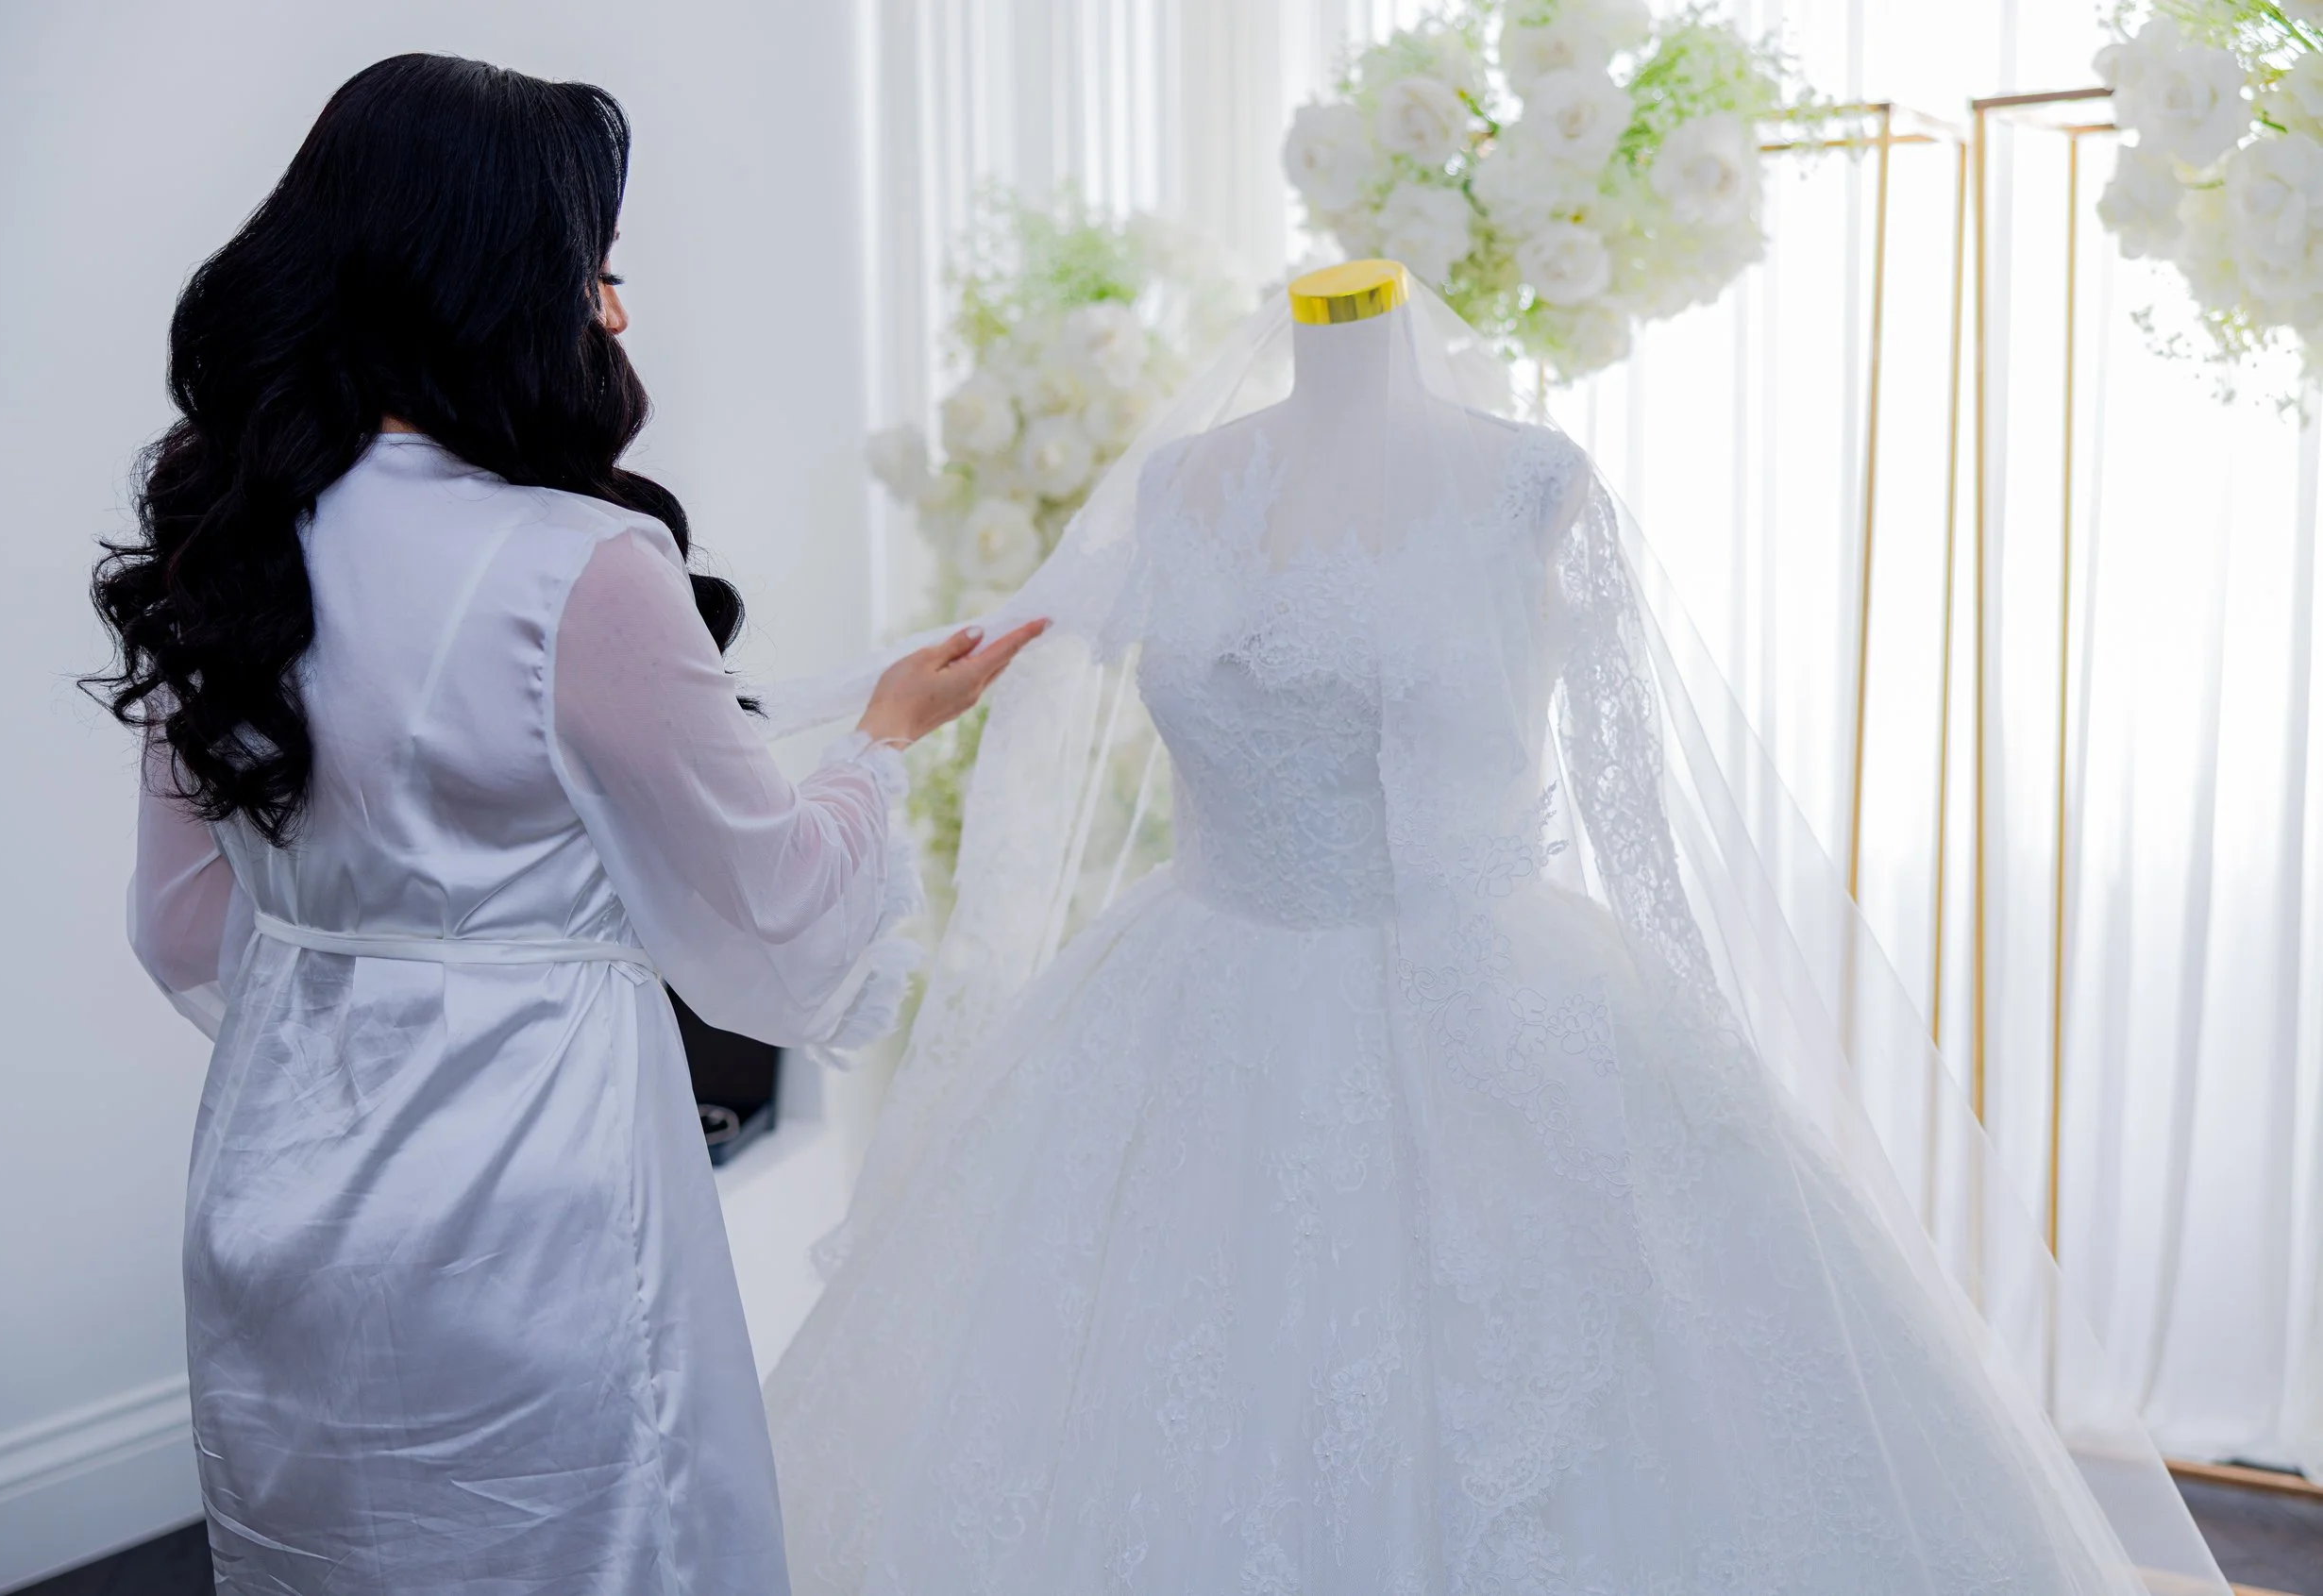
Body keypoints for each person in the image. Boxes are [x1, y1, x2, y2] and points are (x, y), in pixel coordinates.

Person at [759, 263, 2227, 1593]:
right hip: (1197, 1005)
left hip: (1499, 997)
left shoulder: (1534, 483)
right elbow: (1014, 675)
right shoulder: (1182, 486)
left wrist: (1695, 1070)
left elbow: (1627, 797)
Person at [88, 53, 1042, 1595]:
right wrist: (880, 743)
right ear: (494, 276)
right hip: (528, 1196)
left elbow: (181, 927)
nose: (609, 311)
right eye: (590, 266)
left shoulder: (230, 542)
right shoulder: (578, 562)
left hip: (271, 1191)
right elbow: (775, 909)